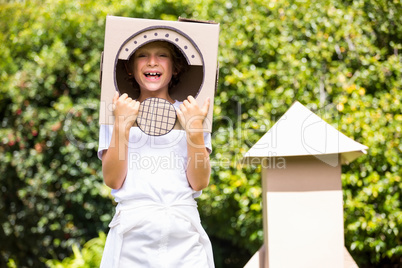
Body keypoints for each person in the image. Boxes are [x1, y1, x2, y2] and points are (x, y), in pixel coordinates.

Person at [98, 40, 214, 267]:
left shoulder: (192, 111)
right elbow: (113, 179)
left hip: (184, 239)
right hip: (133, 240)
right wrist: (122, 124)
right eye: (142, 55)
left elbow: (199, 182)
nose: (152, 62)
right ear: (130, 67)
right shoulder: (116, 109)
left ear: (176, 66)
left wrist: (194, 129)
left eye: (162, 55)